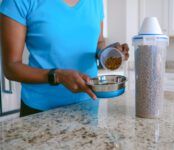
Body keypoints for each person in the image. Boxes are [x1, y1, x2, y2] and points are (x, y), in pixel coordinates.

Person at [0, 0, 129, 117]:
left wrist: (107, 54)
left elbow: (98, 42)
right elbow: (11, 67)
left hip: (87, 106)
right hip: (41, 110)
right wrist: (58, 76)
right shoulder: (18, 2)